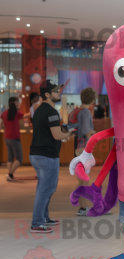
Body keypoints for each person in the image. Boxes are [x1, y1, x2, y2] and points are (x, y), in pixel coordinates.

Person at [30, 80, 75, 233]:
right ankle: (37, 223)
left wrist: (64, 132)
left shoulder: (39, 110)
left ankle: (44, 217)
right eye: (56, 91)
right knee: (46, 189)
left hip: (37, 154)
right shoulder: (51, 112)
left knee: (44, 188)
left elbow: (50, 133)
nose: (59, 92)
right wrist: (68, 132)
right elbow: (57, 135)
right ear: (47, 94)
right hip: (47, 156)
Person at [70, 88, 97, 216]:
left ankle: (82, 207)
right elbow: (87, 131)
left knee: (81, 178)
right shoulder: (85, 112)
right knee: (85, 179)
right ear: (92, 99)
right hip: (84, 147)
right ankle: (83, 208)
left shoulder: (75, 111)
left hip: (76, 145)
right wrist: (95, 134)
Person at [0, 97, 30, 181]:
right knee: (19, 158)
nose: (18, 103)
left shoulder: (4, 113)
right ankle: (10, 174)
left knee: (10, 157)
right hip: (14, 138)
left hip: (6, 137)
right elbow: (27, 115)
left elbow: (0, 126)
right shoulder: (17, 113)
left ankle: (10, 176)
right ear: (13, 103)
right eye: (17, 102)